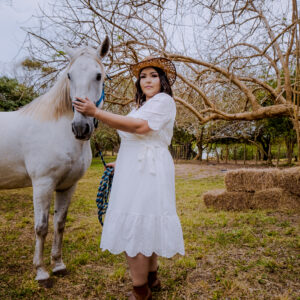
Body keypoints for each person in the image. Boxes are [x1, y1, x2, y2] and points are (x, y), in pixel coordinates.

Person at [73, 56, 185, 300]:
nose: (147, 80)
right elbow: (134, 134)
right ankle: (152, 278)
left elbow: (140, 128)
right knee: (147, 220)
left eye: (154, 75)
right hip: (134, 166)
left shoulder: (164, 100)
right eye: (143, 76)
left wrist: (96, 112)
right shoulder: (138, 106)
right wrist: (120, 161)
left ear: (163, 80)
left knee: (138, 222)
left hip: (150, 167)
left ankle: (140, 290)